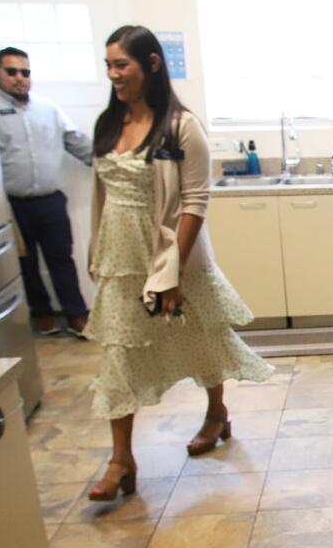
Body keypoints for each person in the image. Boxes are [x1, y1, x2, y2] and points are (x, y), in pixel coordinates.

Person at [85, 25, 273, 501]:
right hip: (119, 258)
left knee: (201, 338)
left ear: (150, 64)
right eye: (108, 65)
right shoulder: (107, 126)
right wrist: (95, 252)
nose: (114, 75)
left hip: (174, 259)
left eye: (121, 64)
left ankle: (216, 413)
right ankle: (121, 458)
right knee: (119, 354)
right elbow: (101, 195)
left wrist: (170, 272)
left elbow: (194, 200)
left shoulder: (180, 125)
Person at [0, 47, 93, 338]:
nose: (20, 78)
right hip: (11, 204)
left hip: (50, 200)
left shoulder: (47, 108)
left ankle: (76, 314)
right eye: (11, 72)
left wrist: (110, 165)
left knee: (62, 258)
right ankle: (42, 315)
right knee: (25, 263)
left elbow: (77, 142)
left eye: (25, 72)